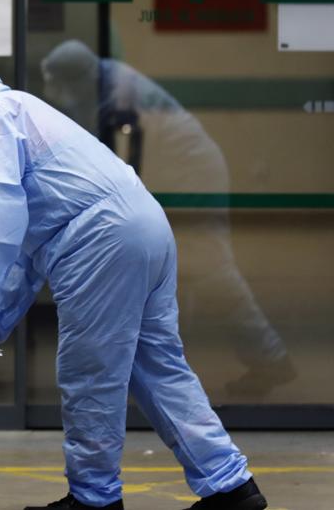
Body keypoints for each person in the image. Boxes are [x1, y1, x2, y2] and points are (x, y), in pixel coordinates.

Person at [0, 64, 266, 510]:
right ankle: (230, 486)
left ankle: (94, 499)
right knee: (159, 367)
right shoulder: (24, 109)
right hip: (144, 225)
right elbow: (26, 254)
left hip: (100, 239)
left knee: (90, 375)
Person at [41, 40, 293, 397]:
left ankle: (270, 357)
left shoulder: (115, 91)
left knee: (211, 269)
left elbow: (125, 150)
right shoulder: (101, 79)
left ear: (77, 76)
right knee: (184, 271)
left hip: (189, 172)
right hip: (177, 169)